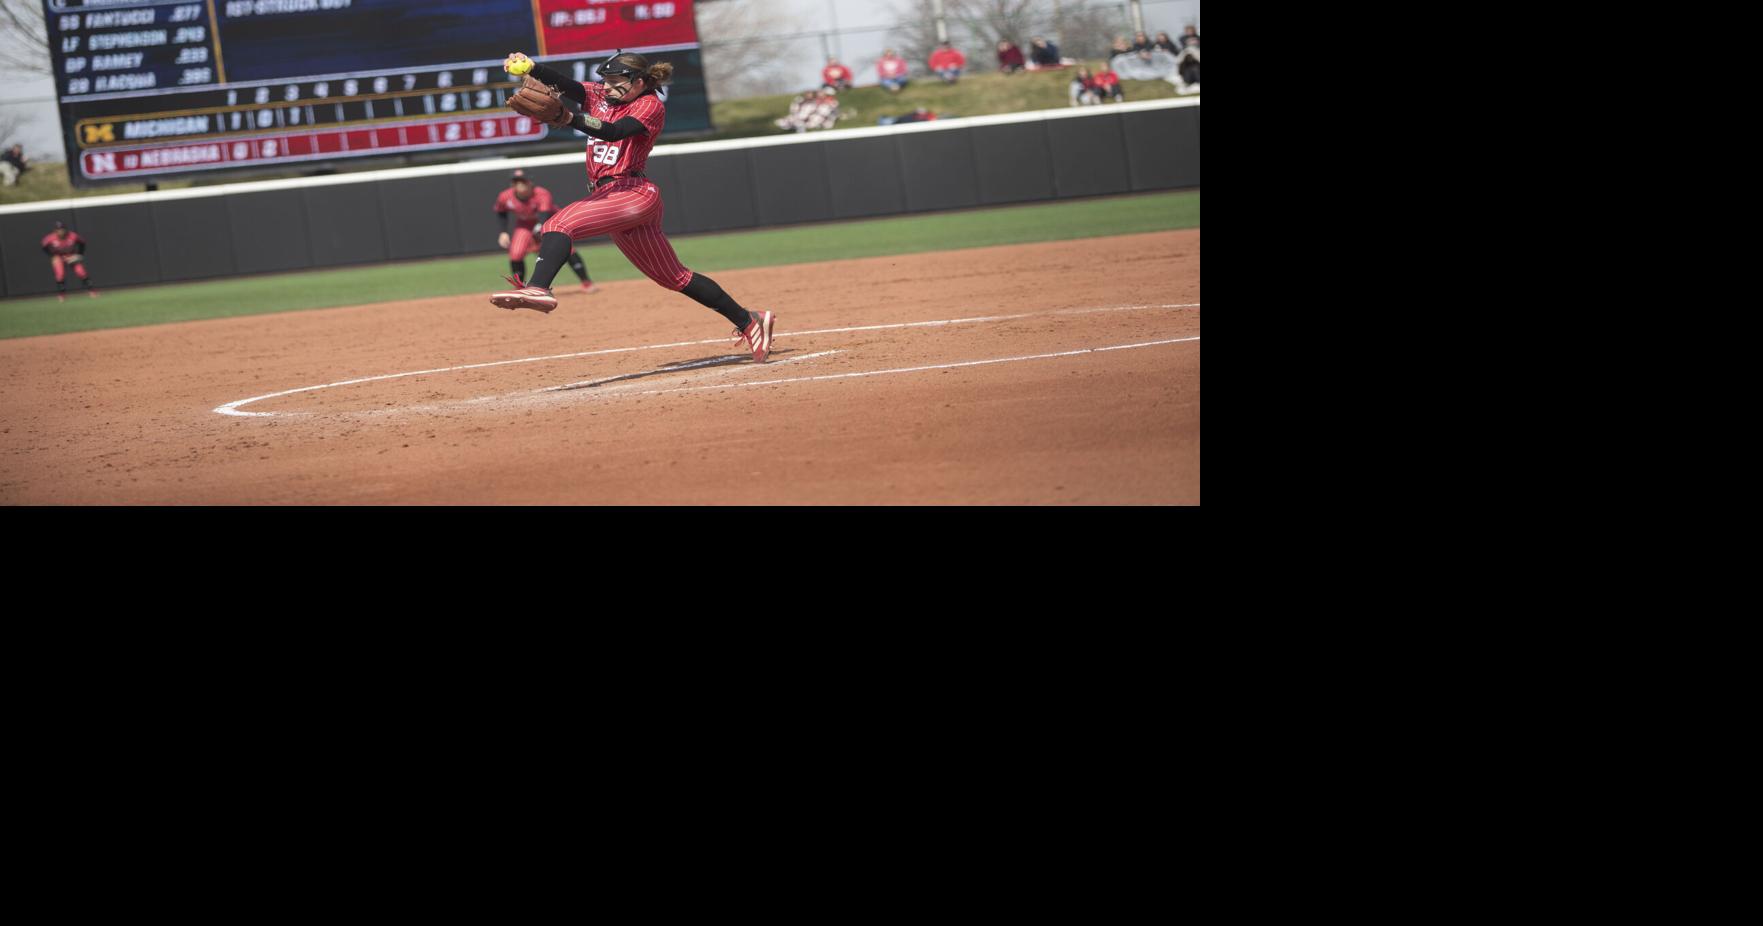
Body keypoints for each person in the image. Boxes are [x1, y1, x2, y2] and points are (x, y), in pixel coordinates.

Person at [491, 51, 775, 363]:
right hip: (611, 198)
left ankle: (538, 288)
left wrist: (571, 118)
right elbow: (565, 84)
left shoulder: (649, 104)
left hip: (631, 191)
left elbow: (616, 132)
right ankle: (750, 321)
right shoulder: (600, 94)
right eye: (606, 80)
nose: (608, 87)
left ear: (638, 82)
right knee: (674, 278)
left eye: (616, 82)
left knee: (558, 224)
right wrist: (531, 67)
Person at [497, 169, 596, 294]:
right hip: (525, 224)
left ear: (530, 182)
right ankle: (519, 289)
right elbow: (501, 212)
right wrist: (503, 232)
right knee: (516, 253)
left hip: (551, 220)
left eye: (523, 181)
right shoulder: (505, 196)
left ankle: (586, 282)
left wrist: (540, 234)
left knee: (566, 249)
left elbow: (543, 215)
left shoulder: (541, 193)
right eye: (516, 181)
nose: (520, 184)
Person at [41, 221, 98, 301]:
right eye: (58, 229)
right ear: (55, 231)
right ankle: (62, 295)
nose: (61, 231)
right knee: (60, 274)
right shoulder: (50, 238)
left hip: (71, 255)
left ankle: (92, 291)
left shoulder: (72, 236)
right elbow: (44, 246)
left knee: (81, 272)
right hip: (59, 256)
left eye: (62, 229)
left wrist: (79, 254)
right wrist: (52, 256)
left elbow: (82, 243)